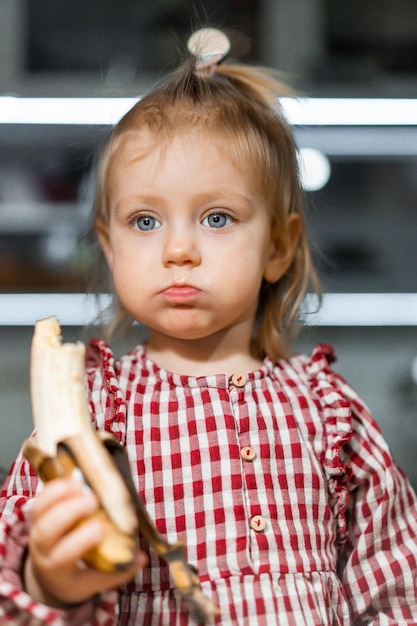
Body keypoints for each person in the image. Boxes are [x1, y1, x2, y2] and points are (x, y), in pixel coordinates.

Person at [1, 27, 417, 626]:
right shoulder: (89, 413)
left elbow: (394, 586)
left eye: (217, 217)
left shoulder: (330, 413)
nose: (178, 250)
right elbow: (13, 569)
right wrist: (52, 578)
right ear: (109, 248)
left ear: (279, 245)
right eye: (144, 221)